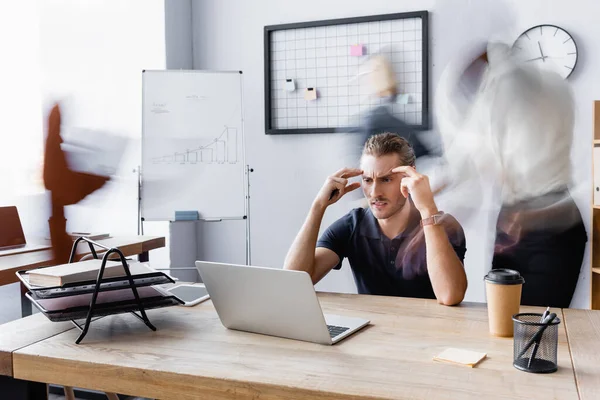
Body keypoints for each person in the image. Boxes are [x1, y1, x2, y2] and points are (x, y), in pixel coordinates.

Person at [436, 42, 587, 308]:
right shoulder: (495, 95)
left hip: (549, 228)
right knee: (504, 320)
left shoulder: (527, 89)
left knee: (539, 328)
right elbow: (465, 164)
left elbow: (475, 164)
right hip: (514, 224)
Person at [284, 133, 467, 306]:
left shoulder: (444, 225)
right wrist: (318, 206)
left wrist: (428, 210)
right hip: (372, 335)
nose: (374, 193)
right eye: (367, 180)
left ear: (410, 177)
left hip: (430, 335)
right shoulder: (352, 226)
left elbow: (449, 295)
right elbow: (294, 282)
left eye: (386, 180)